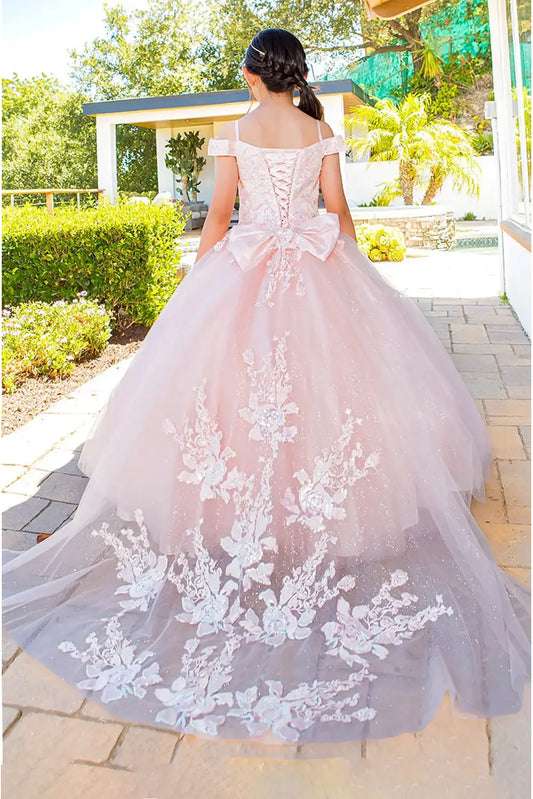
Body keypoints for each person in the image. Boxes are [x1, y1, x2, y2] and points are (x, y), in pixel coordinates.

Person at [2, 28, 530, 748]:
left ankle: (246, 526)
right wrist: (352, 274)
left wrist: (197, 287)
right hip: (318, 269)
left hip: (247, 270)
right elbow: (339, 214)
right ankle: (317, 518)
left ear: (255, 73)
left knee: (237, 405)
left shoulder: (235, 132)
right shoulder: (318, 128)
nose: (242, 76)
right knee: (324, 402)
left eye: (244, 68)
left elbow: (219, 217)